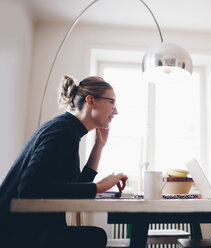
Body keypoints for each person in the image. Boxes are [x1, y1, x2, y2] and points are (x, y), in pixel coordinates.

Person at [0, 75, 128, 248]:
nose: (116, 111)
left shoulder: (69, 129)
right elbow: (29, 188)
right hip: (18, 233)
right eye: (112, 102)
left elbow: (75, 188)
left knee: (95, 236)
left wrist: (99, 146)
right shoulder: (62, 130)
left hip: (28, 229)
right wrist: (98, 187)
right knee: (95, 237)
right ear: (91, 101)